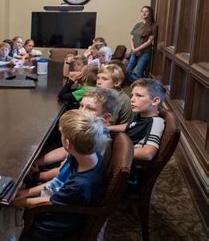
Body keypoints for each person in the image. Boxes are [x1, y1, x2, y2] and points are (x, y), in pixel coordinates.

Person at [13, 110, 108, 240]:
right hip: (59, 198)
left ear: (67, 144)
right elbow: (57, 181)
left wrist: (19, 202)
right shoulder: (87, 155)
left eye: (62, 135)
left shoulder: (80, 184)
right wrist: (27, 192)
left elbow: (48, 202)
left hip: (52, 225)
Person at [32, 88, 118, 183]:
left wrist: (37, 176)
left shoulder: (98, 141)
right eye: (81, 106)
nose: (81, 111)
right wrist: (36, 162)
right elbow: (65, 150)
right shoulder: (86, 131)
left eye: (90, 109)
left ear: (106, 117)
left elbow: (66, 171)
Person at [108, 78, 166, 161]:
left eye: (139, 96)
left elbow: (148, 153)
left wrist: (115, 152)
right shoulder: (142, 115)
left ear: (155, 101)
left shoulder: (156, 123)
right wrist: (108, 128)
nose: (132, 99)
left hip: (125, 162)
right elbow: (130, 125)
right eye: (132, 95)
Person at [126, 6, 158, 82]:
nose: (144, 13)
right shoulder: (138, 25)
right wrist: (133, 49)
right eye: (142, 11)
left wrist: (137, 49)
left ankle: (141, 87)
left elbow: (149, 41)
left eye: (146, 11)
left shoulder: (153, 26)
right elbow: (131, 38)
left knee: (139, 73)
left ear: (150, 13)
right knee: (127, 72)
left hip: (144, 53)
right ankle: (142, 84)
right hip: (134, 52)